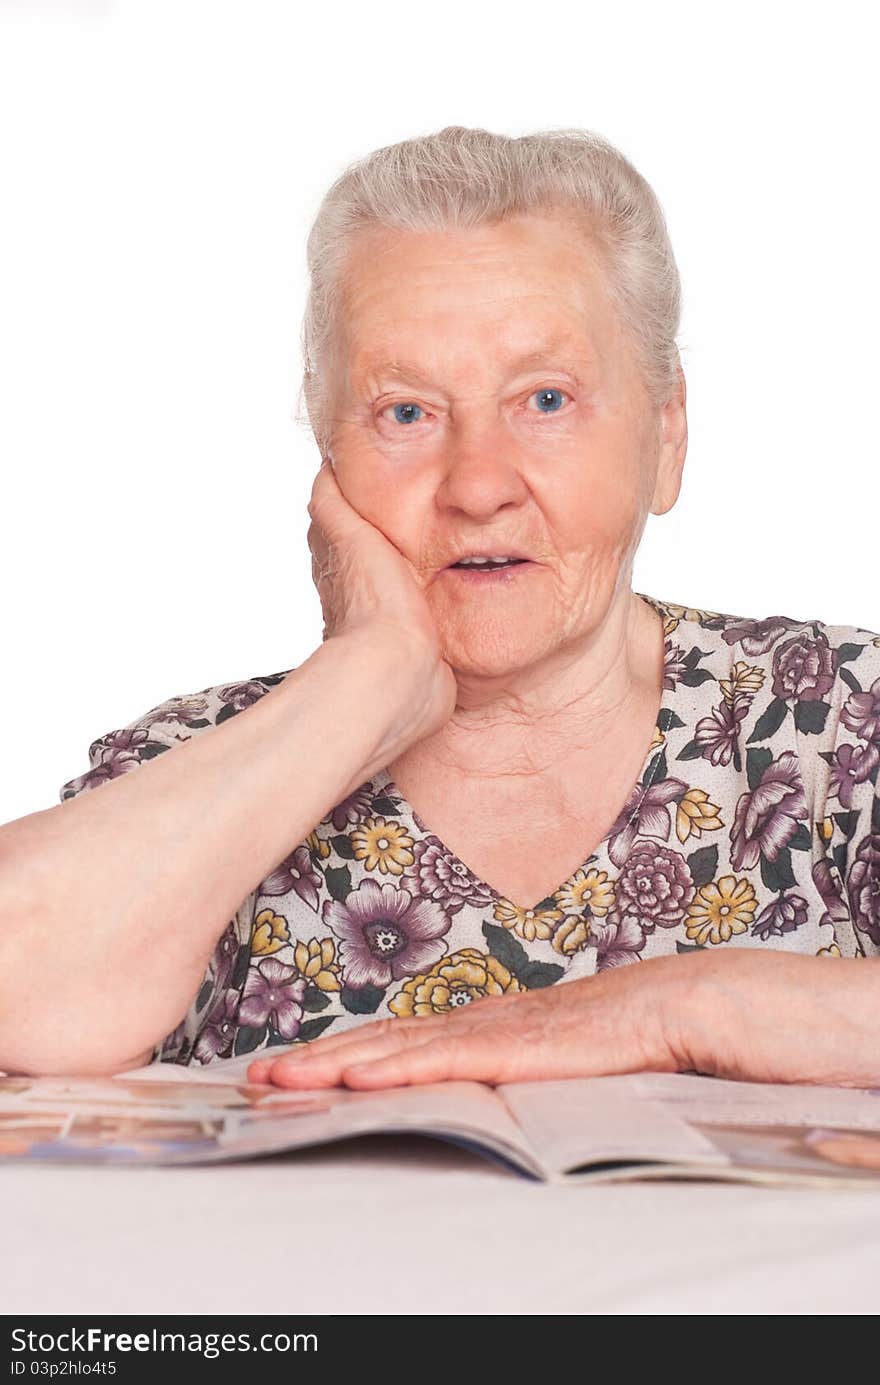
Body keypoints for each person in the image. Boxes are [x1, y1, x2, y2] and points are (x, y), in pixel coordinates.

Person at [1, 126, 877, 1091]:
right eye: (405, 412)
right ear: (327, 450)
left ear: (665, 433)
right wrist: (367, 679)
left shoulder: (835, 723)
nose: (477, 485)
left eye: (545, 398)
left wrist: (682, 1005)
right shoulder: (198, 767)